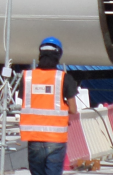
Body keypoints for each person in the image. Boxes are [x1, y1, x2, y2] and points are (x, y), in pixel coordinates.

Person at [20, 37, 78, 175]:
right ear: (58, 55)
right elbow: (73, 109)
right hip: (56, 140)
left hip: (34, 138)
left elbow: (29, 101)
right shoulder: (64, 78)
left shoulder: (27, 77)